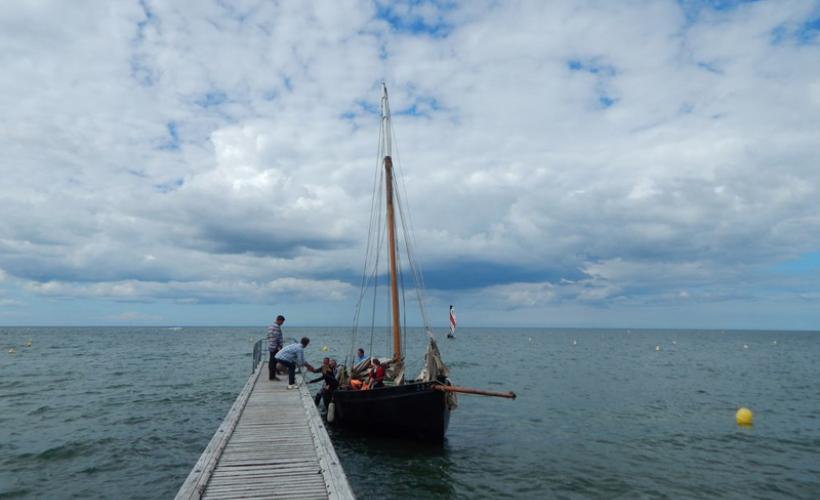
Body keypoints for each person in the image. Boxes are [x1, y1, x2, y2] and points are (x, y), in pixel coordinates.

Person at [267, 315, 285, 380]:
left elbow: (268, 336)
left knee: (272, 361)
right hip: (275, 347)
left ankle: (272, 375)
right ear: (279, 320)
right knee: (273, 362)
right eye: (282, 322)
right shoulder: (277, 327)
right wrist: (280, 346)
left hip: (270, 345)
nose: (282, 324)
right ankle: (272, 377)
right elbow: (278, 338)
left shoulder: (270, 326)